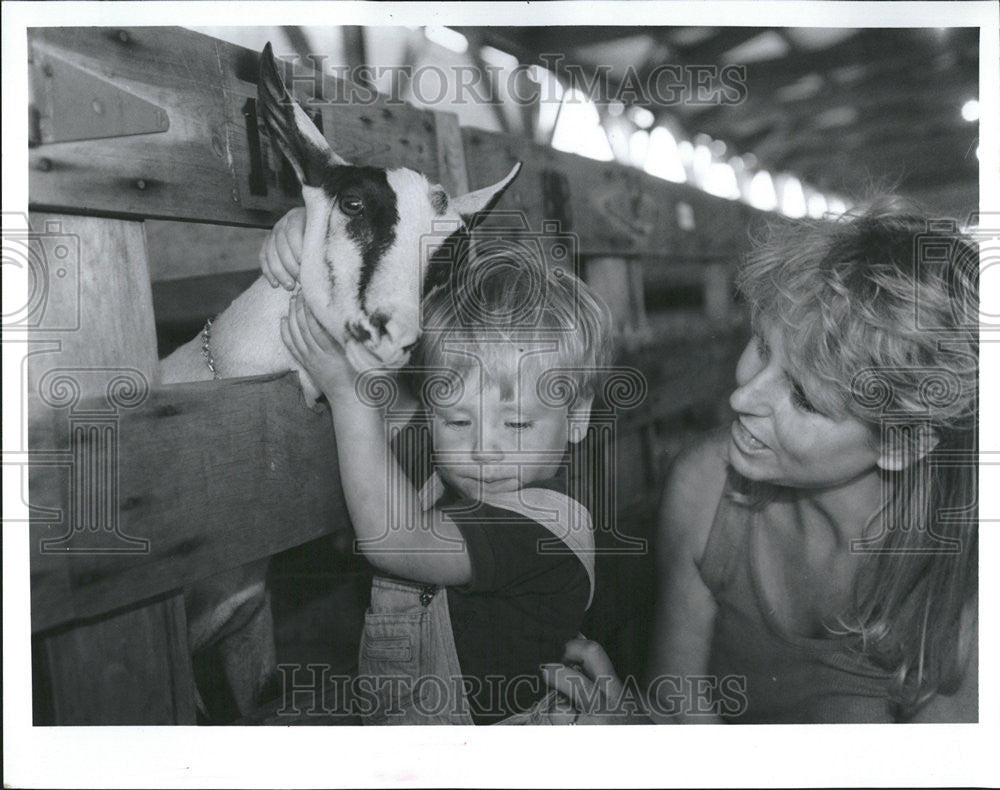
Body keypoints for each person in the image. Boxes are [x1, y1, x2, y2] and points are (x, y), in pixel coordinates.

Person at [543, 197, 979, 724]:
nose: (741, 397)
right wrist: (636, 735)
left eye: (804, 399)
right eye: (763, 346)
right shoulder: (705, 485)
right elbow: (682, 716)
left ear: (900, 443)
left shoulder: (964, 593)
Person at [265, 216, 614, 723]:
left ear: (577, 417)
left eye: (516, 423)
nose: (482, 449)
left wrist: (346, 394)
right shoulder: (449, 478)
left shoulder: (542, 530)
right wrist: (305, 242)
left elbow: (396, 540)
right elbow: (384, 395)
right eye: (455, 420)